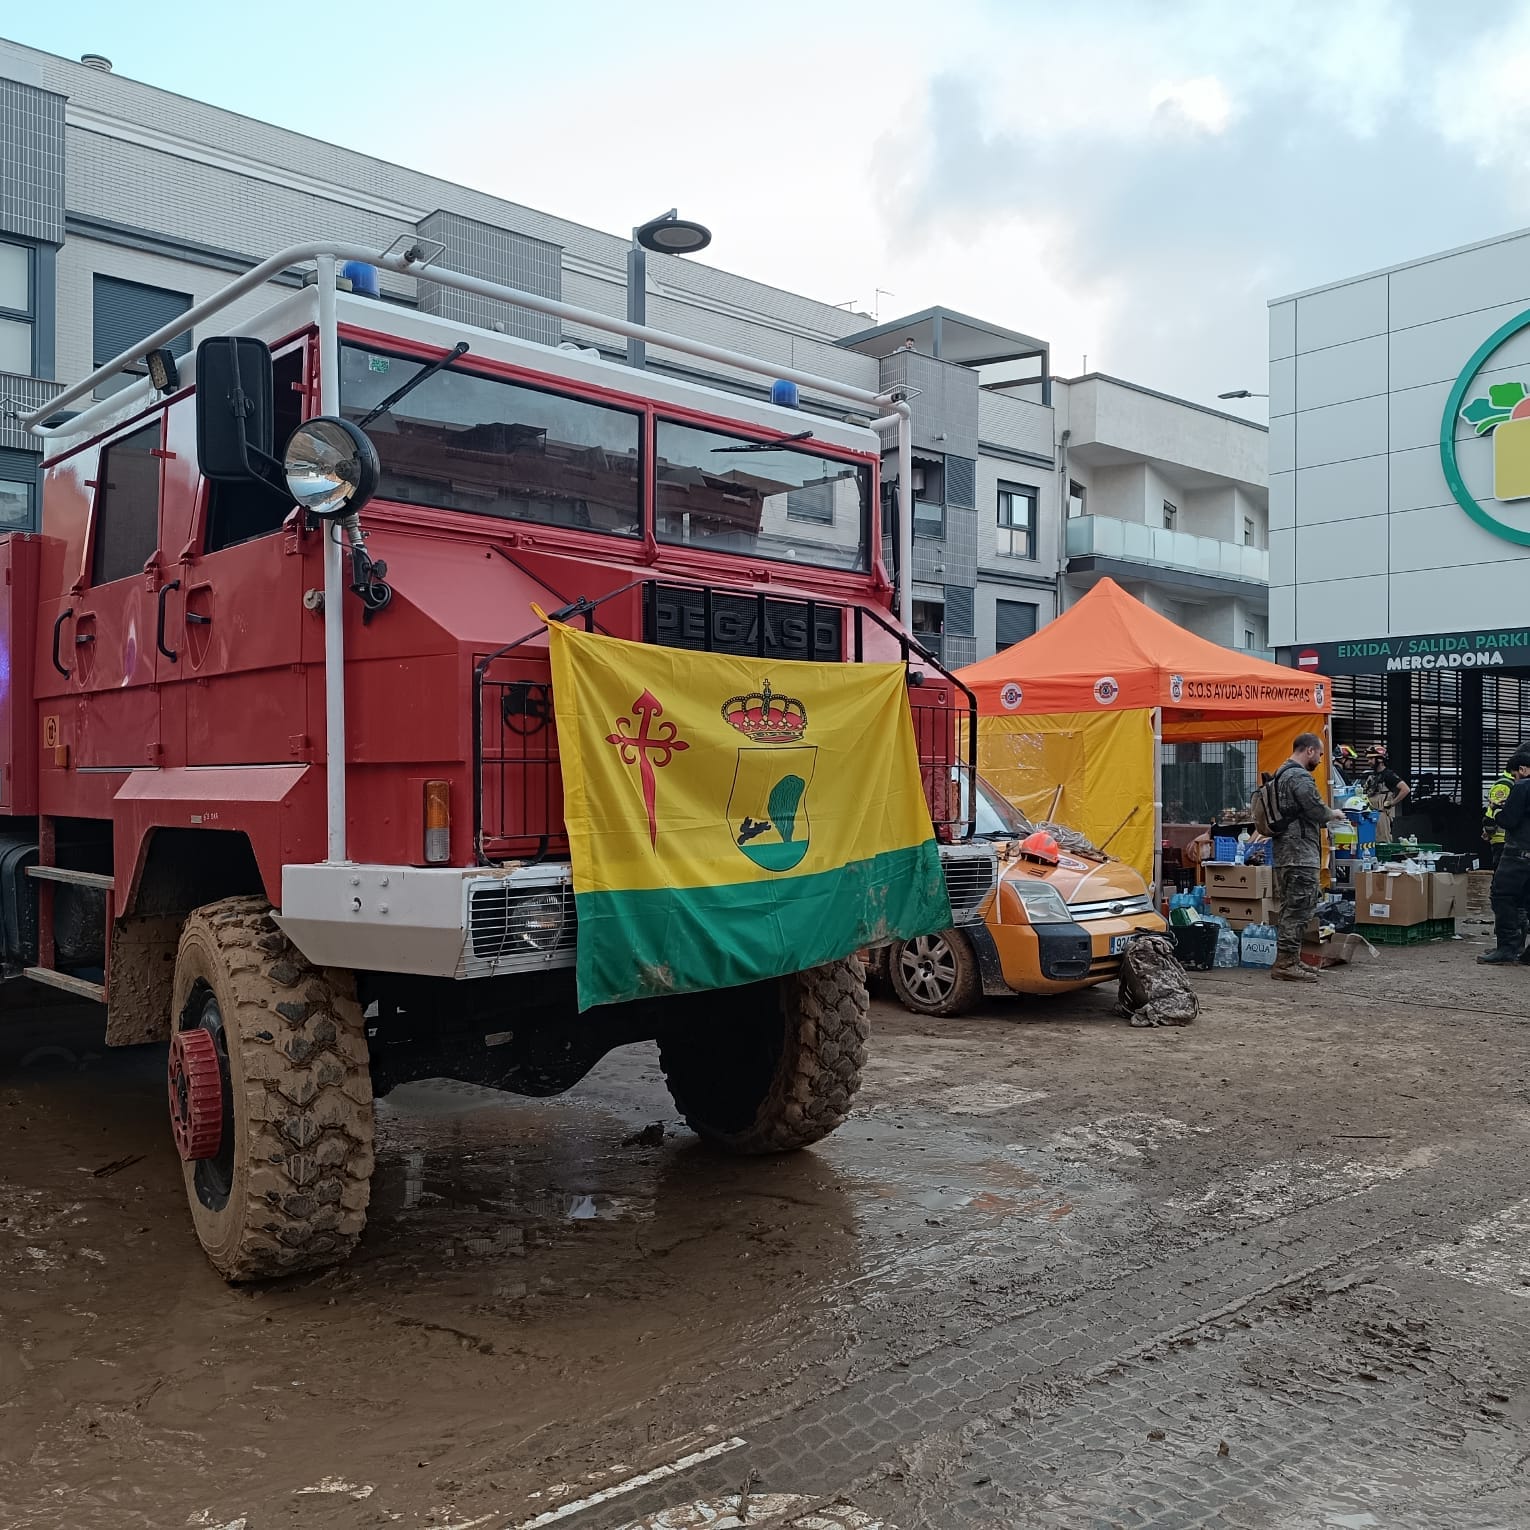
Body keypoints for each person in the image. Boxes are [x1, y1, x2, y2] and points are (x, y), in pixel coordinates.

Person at [1270, 732, 1348, 983]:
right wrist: (1333, 813)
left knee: (1289, 908)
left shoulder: (1280, 772)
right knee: (1299, 909)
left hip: (1285, 852)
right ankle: (1285, 964)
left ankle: (1290, 959)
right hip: (1300, 853)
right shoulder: (1299, 776)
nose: (1321, 760)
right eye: (1320, 754)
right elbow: (1314, 808)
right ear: (1309, 751)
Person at [1477, 748, 1530, 965]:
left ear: (1523, 769)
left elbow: (1509, 821)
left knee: (1502, 895)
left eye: (1515, 774)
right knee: (1526, 901)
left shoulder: (1523, 786)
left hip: (1519, 852)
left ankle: (1508, 948)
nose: (1515, 778)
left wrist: (1497, 811)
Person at [1362, 746, 1411, 840]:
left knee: (1383, 841)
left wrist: (1392, 803)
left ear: (1380, 759)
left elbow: (1405, 789)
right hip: (1370, 814)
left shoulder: (1388, 775)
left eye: (1371, 759)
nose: (1369, 762)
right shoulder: (1372, 775)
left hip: (1382, 815)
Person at [1483, 754, 1521, 870]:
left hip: (1511, 838)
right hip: (1502, 839)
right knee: (1502, 877)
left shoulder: (1516, 783)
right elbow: (1492, 810)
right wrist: (1489, 831)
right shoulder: (1504, 785)